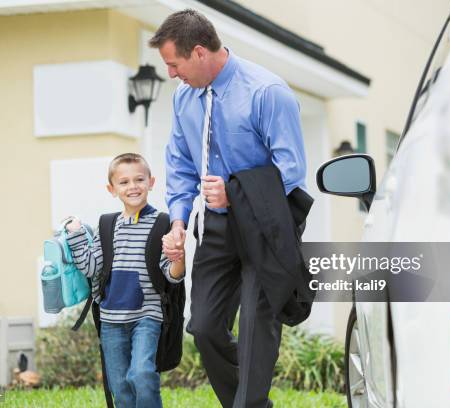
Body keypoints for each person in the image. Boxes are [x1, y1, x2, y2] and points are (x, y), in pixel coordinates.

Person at [149, 10, 307, 408]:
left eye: (174, 63)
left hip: (265, 226)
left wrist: (235, 194)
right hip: (216, 228)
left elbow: (291, 168)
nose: (170, 74)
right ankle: (250, 401)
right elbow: (181, 164)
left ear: (199, 52)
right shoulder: (185, 98)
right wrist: (179, 222)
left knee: (256, 326)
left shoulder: (267, 92)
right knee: (203, 327)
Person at [63, 153, 184, 408]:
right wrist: (74, 234)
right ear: (112, 189)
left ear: (151, 182)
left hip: (147, 316)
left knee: (141, 374)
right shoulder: (107, 224)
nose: (133, 187)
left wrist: (178, 257)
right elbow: (91, 266)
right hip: (110, 320)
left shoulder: (162, 223)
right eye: (124, 182)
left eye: (139, 179)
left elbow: (171, 275)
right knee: (120, 386)